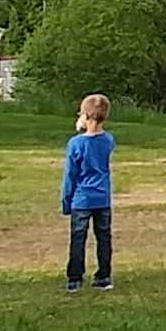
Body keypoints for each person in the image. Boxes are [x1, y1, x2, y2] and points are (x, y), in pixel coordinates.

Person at [63, 93, 115, 291]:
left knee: (78, 238)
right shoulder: (108, 140)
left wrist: (66, 201)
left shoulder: (76, 144)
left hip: (82, 198)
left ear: (85, 116)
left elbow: (71, 174)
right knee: (104, 237)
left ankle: (75, 278)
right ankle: (104, 275)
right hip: (102, 197)